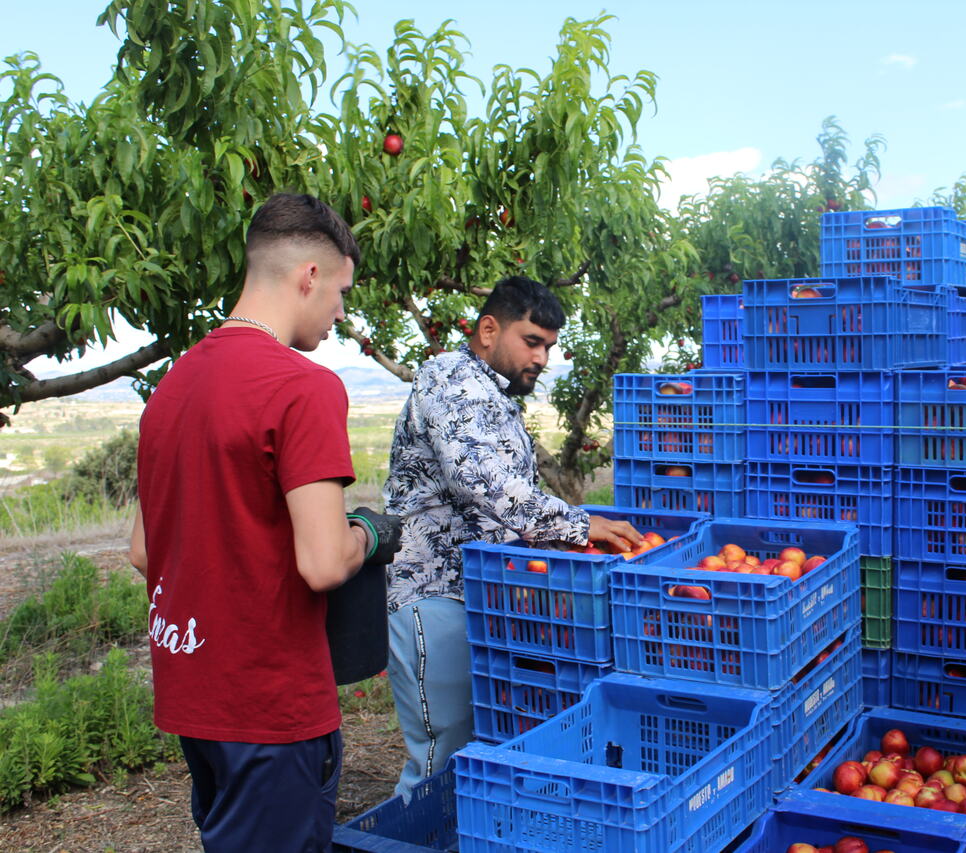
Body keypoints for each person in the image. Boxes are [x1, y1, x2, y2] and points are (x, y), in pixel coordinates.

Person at [129, 192, 400, 852]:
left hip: (195, 698)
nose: (340, 313)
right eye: (340, 292)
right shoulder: (302, 387)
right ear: (310, 274)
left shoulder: (173, 386)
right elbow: (323, 561)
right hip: (273, 709)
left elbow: (143, 550)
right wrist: (370, 528)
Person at [382, 275, 642, 795]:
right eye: (531, 341)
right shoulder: (450, 380)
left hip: (484, 597)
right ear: (488, 329)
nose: (543, 358)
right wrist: (577, 526)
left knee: (482, 750)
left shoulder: (492, 395)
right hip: (436, 594)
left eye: (549, 346)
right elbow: (483, 482)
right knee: (442, 756)